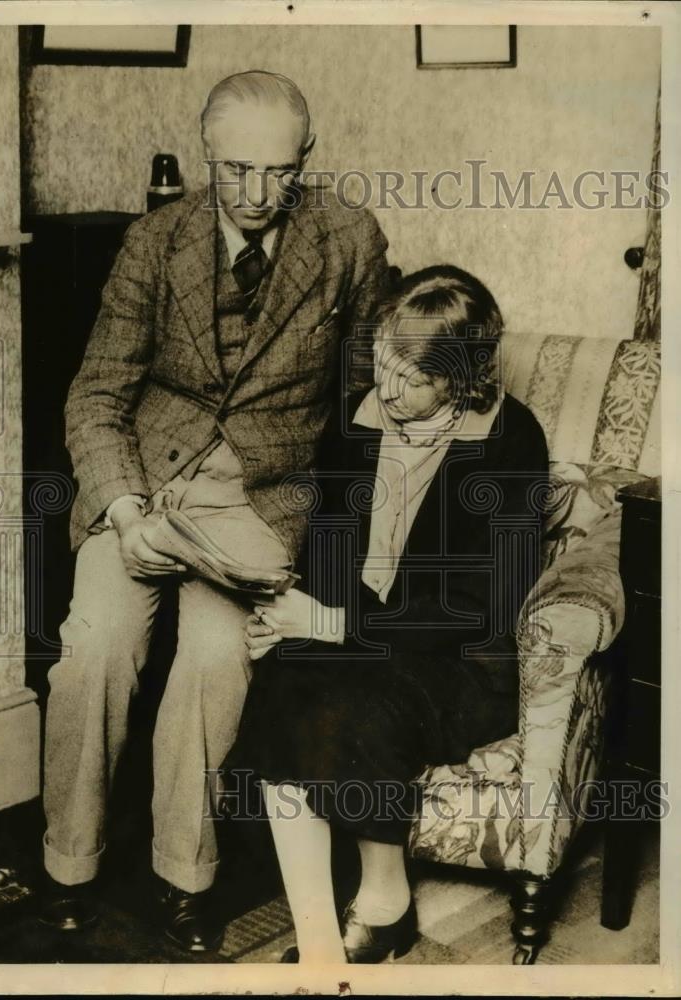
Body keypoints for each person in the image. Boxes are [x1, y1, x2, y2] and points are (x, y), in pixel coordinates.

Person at [40, 70, 390, 951]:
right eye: (236, 170)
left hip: (261, 503)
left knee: (213, 660)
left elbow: (366, 393)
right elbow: (95, 394)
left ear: (304, 160)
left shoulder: (347, 239)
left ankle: (182, 877)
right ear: (206, 157)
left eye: (278, 172)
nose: (258, 192)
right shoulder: (154, 242)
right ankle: (68, 863)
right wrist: (120, 507)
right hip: (147, 490)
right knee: (93, 654)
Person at [224, 265, 549, 964]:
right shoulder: (357, 420)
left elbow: (473, 608)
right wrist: (291, 612)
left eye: (412, 378)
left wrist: (331, 627)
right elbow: (331, 545)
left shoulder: (510, 444)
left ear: (460, 380)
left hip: (461, 661)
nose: (387, 389)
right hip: (367, 628)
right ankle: (318, 948)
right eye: (382, 366)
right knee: (284, 679)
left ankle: (383, 898)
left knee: (350, 703)